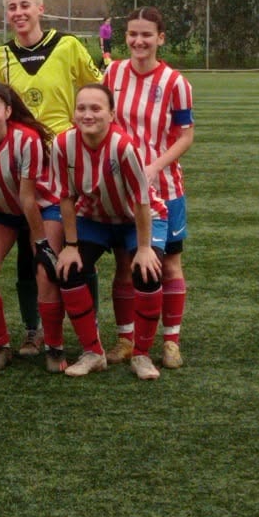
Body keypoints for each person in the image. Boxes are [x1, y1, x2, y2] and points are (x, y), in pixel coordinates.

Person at [0, 0, 105, 355]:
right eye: (11, 8)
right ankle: (32, 329)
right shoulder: (1, 56)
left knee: (76, 241)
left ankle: (93, 325)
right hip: (22, 165)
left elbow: (98, 91)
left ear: (40, 9)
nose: (18, 13)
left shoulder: (68, 46)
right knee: (31, 247)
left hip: (66, 161)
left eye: (25, 5)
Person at [53, 83, 168, 381]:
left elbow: (143, 201)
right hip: (95, 218)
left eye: (96, 108)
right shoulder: (62, 144)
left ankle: (141, 355)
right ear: (73, 112)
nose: (87, 114)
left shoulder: (123, 147)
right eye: (81, 108)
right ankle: (93, 352)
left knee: (148, 272)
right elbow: (65, 196)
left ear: (111, 114)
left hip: (138, 219)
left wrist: (144, 248)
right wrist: (70, 244)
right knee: (69, 270)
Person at [102, 7, 196, 369]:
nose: (138, 41)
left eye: (146, 35)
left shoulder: (175, 82)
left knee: (169, 263)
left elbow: (187, 135)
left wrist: (156, 166)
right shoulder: (112, 73)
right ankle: (126, 339)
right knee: (126, 263)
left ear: (161, 38)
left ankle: (170, 341)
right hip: (121, 189)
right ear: (124, 37)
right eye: (132, 35)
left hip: (165, 188)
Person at [0, 81, 63, 371]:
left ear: (7, 111)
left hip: (42, 209)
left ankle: (55, 346)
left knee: (46, 271)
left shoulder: (26, 139)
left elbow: (28, 198)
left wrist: (41, 244)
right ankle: (0, 346)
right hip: (1, 212)